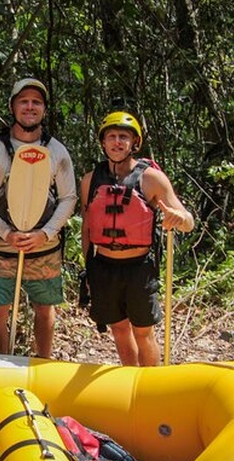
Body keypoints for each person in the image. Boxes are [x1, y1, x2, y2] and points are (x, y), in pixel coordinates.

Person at [0, 78, 77, 358]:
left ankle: (43, 363)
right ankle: (0, 363)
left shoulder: (57, 151)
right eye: (24, 101)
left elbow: (69, 198)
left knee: (44, 308)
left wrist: (45, 233)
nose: (30, 107)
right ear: (12, 106)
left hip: (44, 246)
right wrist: (6, 232)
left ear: (44, 109)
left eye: (36, 102)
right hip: (3, 246)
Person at [80, 111, 194, 366]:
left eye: (123, 137)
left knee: (143, 332)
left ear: (134, 143)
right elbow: (87, 227)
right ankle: (129, 378)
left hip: (139, 268)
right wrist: (88, 268)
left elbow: (188, 221)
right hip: (104, 265)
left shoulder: (151, 178)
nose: (117, 142)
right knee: (119, 329)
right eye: (111, 136)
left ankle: (149, 385)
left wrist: (179, 217)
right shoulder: (90, 180)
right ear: (103, 142)